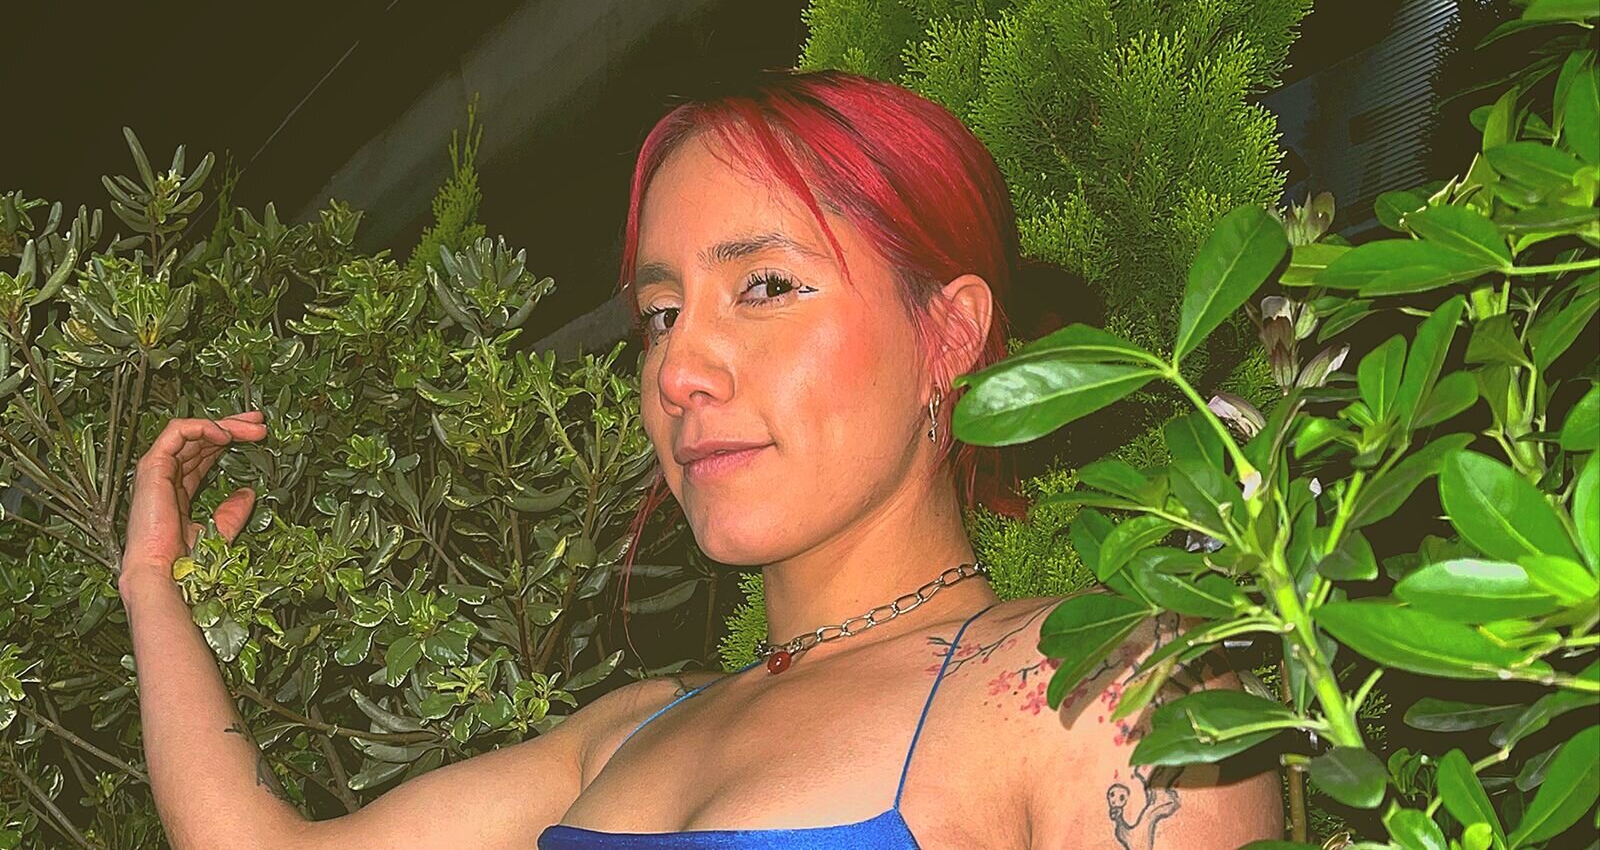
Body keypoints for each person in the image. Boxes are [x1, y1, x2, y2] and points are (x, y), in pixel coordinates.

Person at [118, 70, 1283, 849]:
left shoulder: (1102, 686)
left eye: (764, 286)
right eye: (660, 316)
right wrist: (153, 589)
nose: (679, 368)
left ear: (949, 335)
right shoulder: (627, 731)